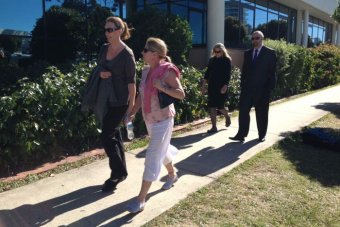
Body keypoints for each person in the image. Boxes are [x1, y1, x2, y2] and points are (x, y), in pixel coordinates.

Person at [125, 37, 185, 213]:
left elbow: (180, 94)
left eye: (145, 50)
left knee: (152, 155)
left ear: (155, 54)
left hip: (164, 120)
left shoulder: (167, 71)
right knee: (162, 150)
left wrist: (162, 87)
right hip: (149, 119)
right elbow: (141, 96)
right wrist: (133, 112)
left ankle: (140, 199)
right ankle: (173, 175)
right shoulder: (145, 71)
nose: (142, 52)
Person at [83, 16, 136, 192]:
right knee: (114, 135)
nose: (107, 33)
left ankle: (117, 173)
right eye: (105, 30)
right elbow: (98, 68)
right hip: (104, 98)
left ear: (120, 30)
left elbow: (131, 83)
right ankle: (121, 171)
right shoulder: (103, 49)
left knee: (107, 135)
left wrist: (130, 108)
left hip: (120, 102)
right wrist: (101, 74)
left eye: (110, 30)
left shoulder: (127, 55)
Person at [229, 30, 276, 143]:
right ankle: (241, 134)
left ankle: (261, 135)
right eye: (253, 38)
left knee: (261, 113)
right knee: (243, 111)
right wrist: (242, 85)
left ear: (262, 39)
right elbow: (244, 70)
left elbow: (273, 72)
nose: (255, 40)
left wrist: (270, 88)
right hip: (248, 89)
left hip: (263, 90)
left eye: (257, 38)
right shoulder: (248, 53)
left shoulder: (270, 53)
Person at [201, 43, 232, 133]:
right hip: (212, 86)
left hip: (222, 86)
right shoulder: (212, 60)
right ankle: (214, 127)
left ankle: (227, 116)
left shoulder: (227, 60)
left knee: (220, 106)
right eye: (215, 51)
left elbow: (228, 75)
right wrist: (203, 86)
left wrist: (225, 85)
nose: (216, 53)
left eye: (218, 51)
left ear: (222, 51)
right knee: (212, 106)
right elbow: (207, 74)